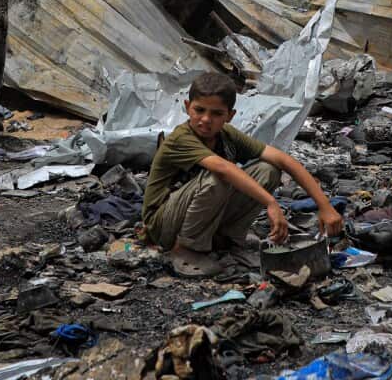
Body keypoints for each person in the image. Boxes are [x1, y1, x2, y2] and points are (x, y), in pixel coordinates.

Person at [142, 72, 343, 277]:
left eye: (216, 113)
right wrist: (271, 203)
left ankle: (227, 240)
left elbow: (283, 159)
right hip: (162, 224)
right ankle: (184, 249)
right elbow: (223, 169)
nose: (206, 119)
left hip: (198, 215)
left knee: (268, 170)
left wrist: (325, 206)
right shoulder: (180, 138)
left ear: (230, 115)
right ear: (187, 107)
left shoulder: (227, 136)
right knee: (220, 176)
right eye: (199, 110)